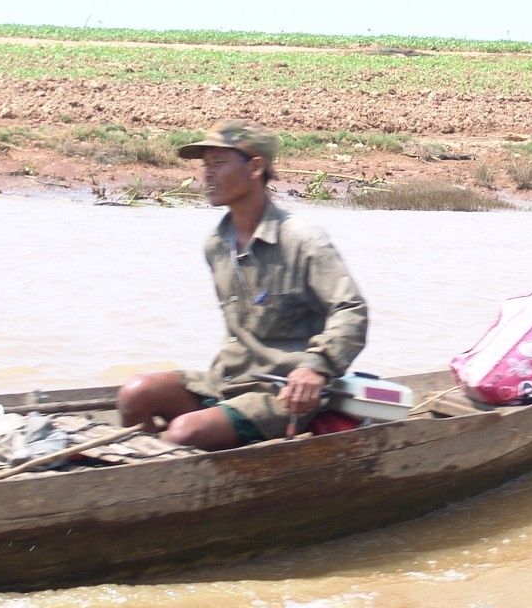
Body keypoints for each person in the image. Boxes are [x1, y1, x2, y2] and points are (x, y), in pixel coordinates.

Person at [116, 121, 369, 449]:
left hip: (284, 393)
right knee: (134, 395)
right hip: (228, 380)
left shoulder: (302, 239)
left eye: (219, 164)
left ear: (255, 167)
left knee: (183, 434)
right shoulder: (217, 244)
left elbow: (350, 310)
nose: (207, 175)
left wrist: (317, 368)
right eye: (205, 165)